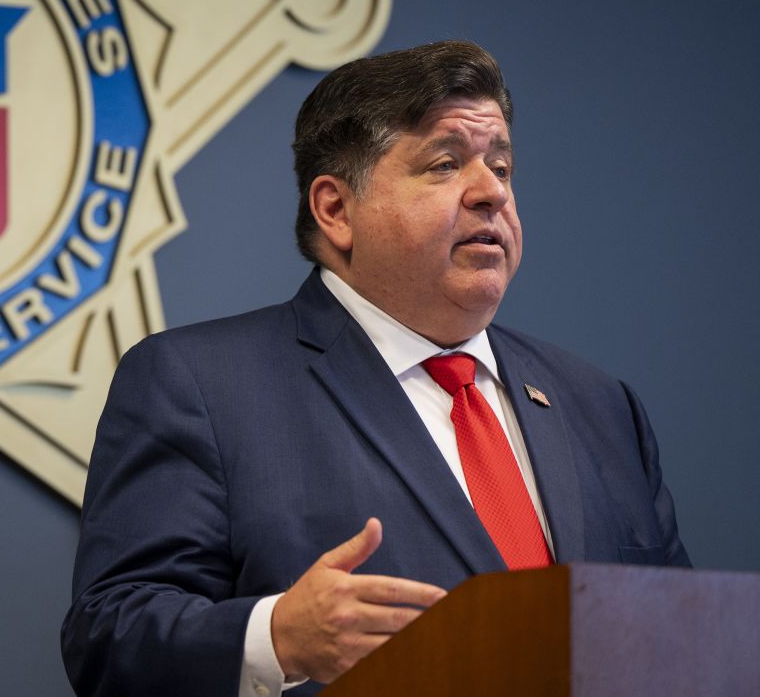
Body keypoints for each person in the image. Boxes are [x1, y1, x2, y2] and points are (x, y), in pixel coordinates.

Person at [60, 41, 690, 697]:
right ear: (335, 210)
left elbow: (685, 640)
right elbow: (110, 636)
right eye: (445, 164)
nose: (492, 192)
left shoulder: (601, 406)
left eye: (501, 165)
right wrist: (276, 638)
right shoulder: (200, 385)